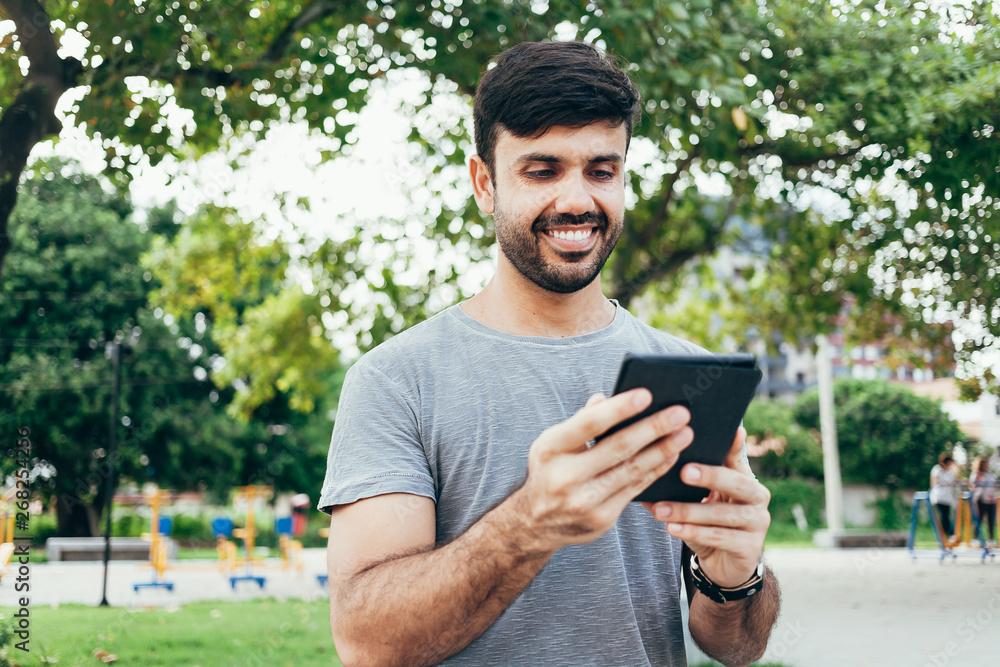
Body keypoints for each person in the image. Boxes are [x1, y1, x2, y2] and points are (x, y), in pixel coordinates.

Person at [319, 41, 780, 666]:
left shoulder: (686, 371)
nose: (576, 201)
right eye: (542, 170)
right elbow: (366, 643)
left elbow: (737, 648)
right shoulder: (396, 380)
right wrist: (529, 524)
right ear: (485, 183)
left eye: (601, 170)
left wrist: (735, 577)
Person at [929, 452, 959, 542]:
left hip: (948, 498)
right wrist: (944, 482)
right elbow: (933, 481)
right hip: (939, 497)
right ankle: (947, 535)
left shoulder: (951, 472)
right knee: (944, 516)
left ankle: (948, 535)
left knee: (948, 516)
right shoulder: (937, 469)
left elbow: (956, 479)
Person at [969, 457, 997, 546]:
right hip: (980, 499)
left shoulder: (989, 475)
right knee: (978, 519)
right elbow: (972, 486)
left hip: (990, 500)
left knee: (991, 521)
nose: (985, 466)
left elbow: (993, 486)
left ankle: (991, 538)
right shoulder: (975, 474)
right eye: (983, 464)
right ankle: (975, 538)